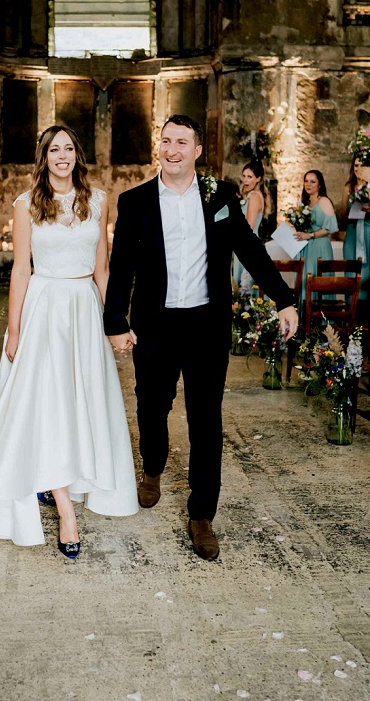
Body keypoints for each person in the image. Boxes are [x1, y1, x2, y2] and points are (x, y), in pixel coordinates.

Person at [104, 116, 298, 561]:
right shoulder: (134, 201)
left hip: (206, 326)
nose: (171, 150)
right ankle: (152, 467)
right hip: (155, 324)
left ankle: (201, 513)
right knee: (152, 404)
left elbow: (250, 251)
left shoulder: (221, 197)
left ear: (196, 151)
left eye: (181, 143)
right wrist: (114, 321)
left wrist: (284, 300)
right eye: (166, 141)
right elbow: (123, 268)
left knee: (205, 417)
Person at [0, 126, 135, 556]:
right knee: (48, 404)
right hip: (45, 308)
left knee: (81, 400)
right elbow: (20, 270)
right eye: (55, 149)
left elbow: (102, 269)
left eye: (69, 148)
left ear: (78, 155)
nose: (62, 156)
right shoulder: (25, 204)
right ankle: (65, 510)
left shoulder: (98, 201)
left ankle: (65, 479)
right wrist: (14, 331)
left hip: (85, 308)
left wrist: (116, 322)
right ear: (44, 157)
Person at [294, 169, 337, 300]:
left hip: (320, 246)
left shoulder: (323, 201)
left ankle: (321, 317)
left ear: (320, 185)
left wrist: (310, 235)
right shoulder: (305, 204)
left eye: (313, 181)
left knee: (318, 279)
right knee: (306, 279)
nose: (308, 184)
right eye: (306, 181)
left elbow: (330, 228)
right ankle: (305, 317)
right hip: (307, 247)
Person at [236, 161, 275, 290]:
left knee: (244, 286)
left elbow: (249, 226)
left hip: (246, 245)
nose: (245, 180)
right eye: (244, 176)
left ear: (258, 179)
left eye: (250, 177)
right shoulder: (253, 195)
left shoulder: (254, 196)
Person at [339, 158, 370, 304]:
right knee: (351, 270)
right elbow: (342, 215)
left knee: (367, 271)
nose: (358, 169)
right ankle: (351, 308)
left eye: (361, 165)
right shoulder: (348, 187)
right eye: (356, 165)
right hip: (352, 233)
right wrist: (352, 212)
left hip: (368, 232)